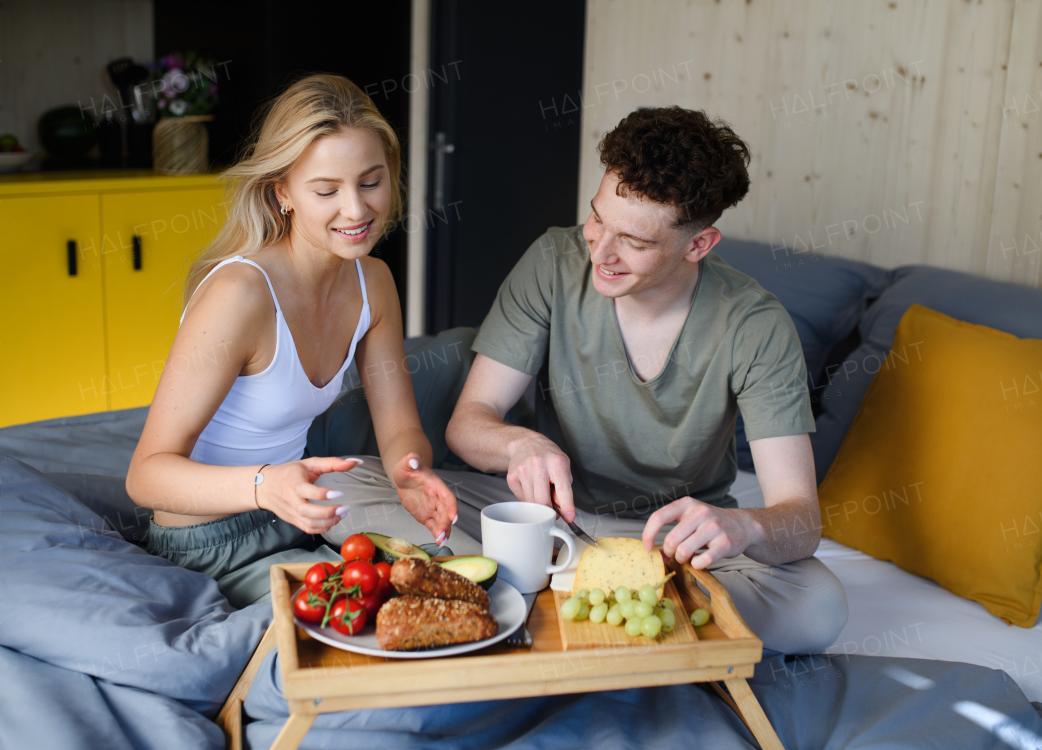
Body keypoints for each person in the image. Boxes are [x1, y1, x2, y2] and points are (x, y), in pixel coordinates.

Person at [325, 106, 847, 654]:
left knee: (817, 605)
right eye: (598, 219)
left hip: (665, 544)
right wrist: (520, 444)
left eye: (635, 243)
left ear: (698, 246)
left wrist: (745, 528)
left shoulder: (756, 326)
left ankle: (532, 593)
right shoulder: (553, 259)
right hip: (545, 522)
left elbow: (801, 519)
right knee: (341, 486)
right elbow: (468, 424)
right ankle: (603, 600)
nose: (599, 252)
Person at [125, 74, 458, 608]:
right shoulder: (241, 295)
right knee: (381, 617)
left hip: (292, 523)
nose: (355, 210)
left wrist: (409, 473)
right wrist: (265, 487)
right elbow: (145, 475)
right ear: (282, 192)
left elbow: (400, 429)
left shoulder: (373, 283)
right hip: (207, 542)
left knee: (441, 588)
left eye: (370, 182)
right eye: (326, 191)